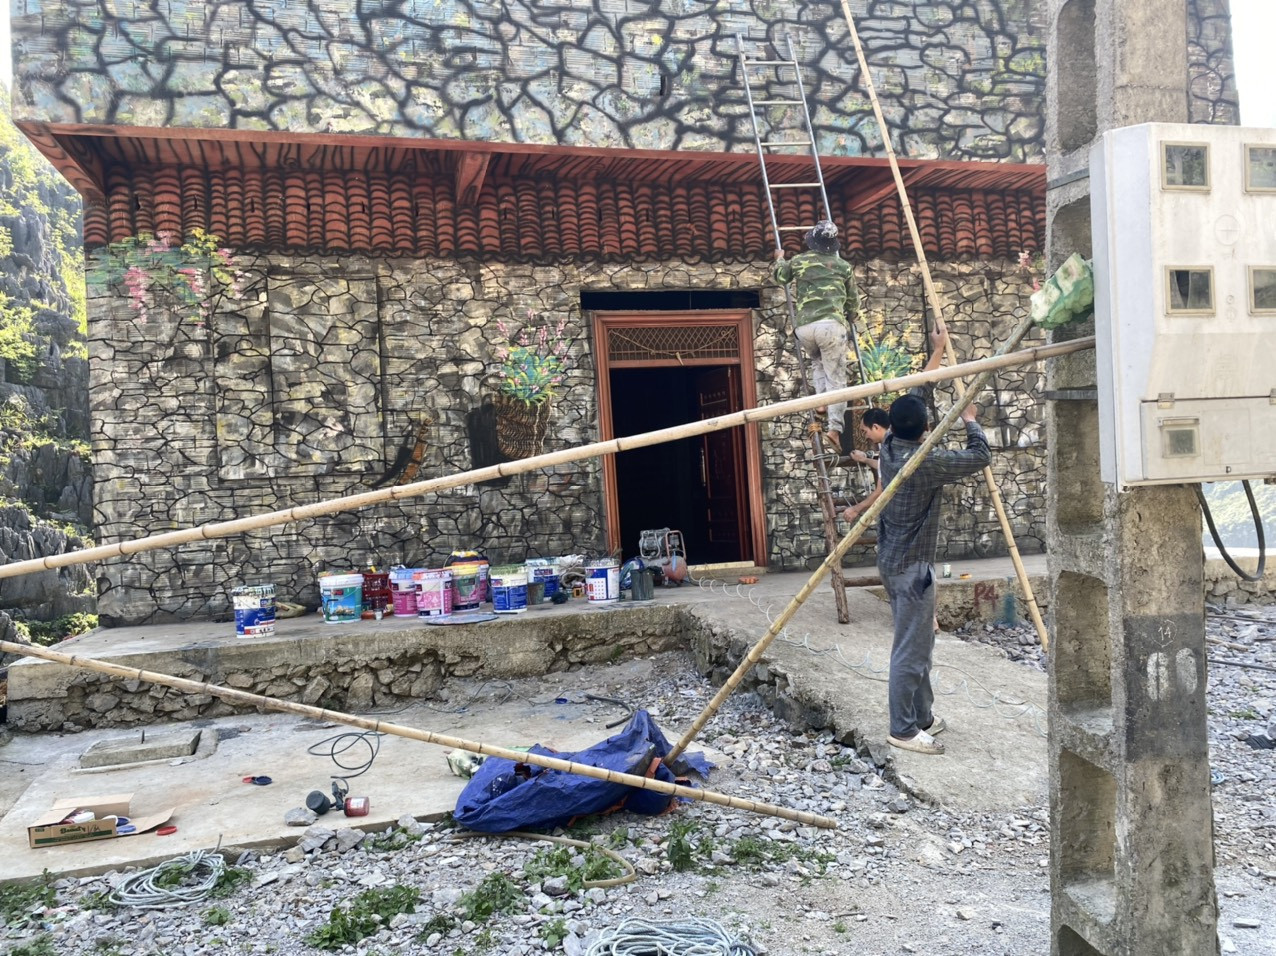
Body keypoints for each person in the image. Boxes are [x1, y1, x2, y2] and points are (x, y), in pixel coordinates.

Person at [875, 388, 990, 755]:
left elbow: (915, 397)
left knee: (921, 642)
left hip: (893, 561)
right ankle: (902, 729)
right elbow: (980, 456)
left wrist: (936, 363)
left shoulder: (888, 445)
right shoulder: (926, 463)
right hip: (911, 569)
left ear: (892, 424)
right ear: (926, 428)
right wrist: (969, 419)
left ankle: (922, 716)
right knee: (910, 650)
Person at [843, 328, 950, 523]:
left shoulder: (892, 448)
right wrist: (938, 349)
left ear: (877, 427)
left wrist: (856, 509)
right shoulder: (894, 441)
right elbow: (923, 385)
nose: (865, 436)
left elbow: (881, 488)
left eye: (865, 431)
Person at [773, 220, 859, 455]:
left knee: (818, 363)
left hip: (805, 328)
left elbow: (780, 276)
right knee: (837, 379)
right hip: (830, 326)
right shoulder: (843, 267)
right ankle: (835, 430)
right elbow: (853, 301)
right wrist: (851, 316)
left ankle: (821, 403)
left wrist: (779, 258)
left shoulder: (799, 261)